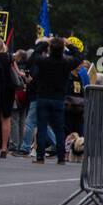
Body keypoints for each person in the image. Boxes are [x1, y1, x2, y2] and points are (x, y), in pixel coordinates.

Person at [27, 36, 79, 165]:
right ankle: (61, 157)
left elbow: (34, 55)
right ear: (62, 50)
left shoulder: (43, 61)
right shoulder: (66, 63)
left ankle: (40, 156)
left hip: (43, 96)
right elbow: (79, 57)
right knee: (59, 128)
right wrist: (70, 45)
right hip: (59, 98)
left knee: (42, 126)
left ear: (50, 49)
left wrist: (45, 42)